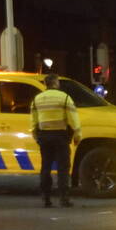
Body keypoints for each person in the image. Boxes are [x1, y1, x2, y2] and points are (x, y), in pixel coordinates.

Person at [31, 74, 81, 208]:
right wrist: (77, 134)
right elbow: (73, 118)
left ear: (45, 84)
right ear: (55, 83)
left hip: (44, 136)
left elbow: (34, 120)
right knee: (63, 168)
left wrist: (36, 135)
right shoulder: (64, 97)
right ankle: (64, 198)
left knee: (45, 167)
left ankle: (46, 198)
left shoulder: (37, 99)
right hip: (61, 136)